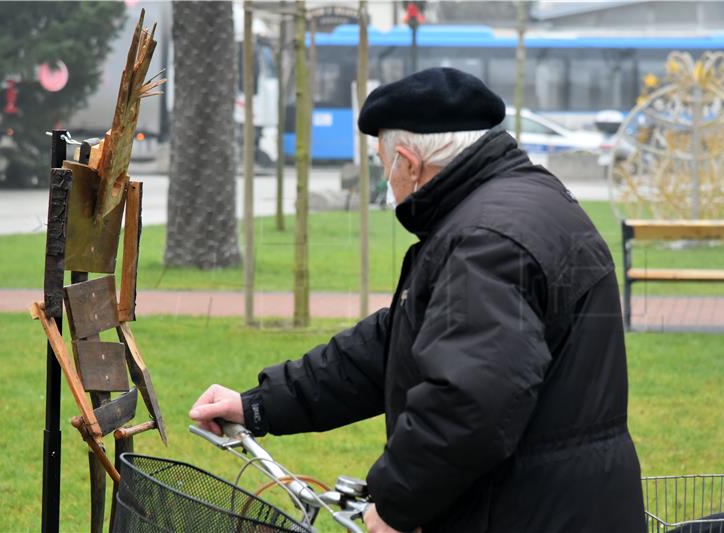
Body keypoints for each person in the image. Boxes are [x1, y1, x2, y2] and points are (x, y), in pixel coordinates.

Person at [190, 67, 646, 533]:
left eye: (382, 166)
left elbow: (470, 401)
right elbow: (398, 340)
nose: (386, 183)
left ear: (408, 162)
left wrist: (394, 505)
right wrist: (261, 404)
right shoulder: (516, 201)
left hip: (531, 511)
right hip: (556, 501)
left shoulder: (484, 241)